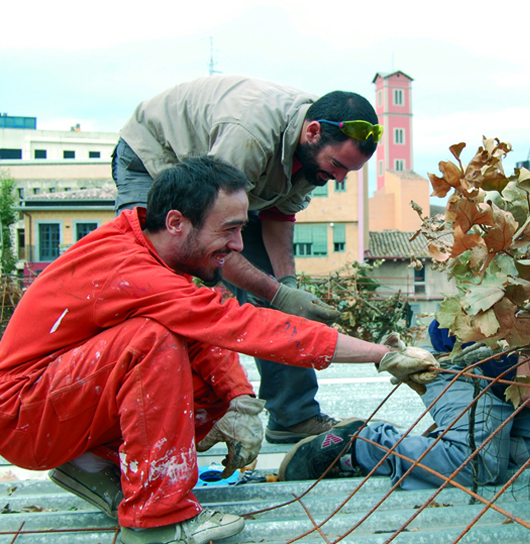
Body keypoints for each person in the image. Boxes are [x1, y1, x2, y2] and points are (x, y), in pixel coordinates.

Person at [0, 157, 437, 544]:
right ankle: (157, 521)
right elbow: (243, 324)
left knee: (204, 370)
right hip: (22, 416)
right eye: (228, 229)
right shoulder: (129, 268)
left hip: (57, 402)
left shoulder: (153, 253)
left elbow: (210, 327)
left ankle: (93, 466)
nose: (238, 245)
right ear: (176, 222)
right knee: (151, 341)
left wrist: (238, 402)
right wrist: (381, 355)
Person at [113, 75, 383, 444]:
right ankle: (163, 423)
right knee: (156, 282)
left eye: (348, 172)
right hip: (155, 159)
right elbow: (211, 241)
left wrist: (286, 287)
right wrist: (275, 293)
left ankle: (293, 416)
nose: (338, 178)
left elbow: (278, 216)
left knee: (270, 289)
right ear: (313, 132)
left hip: (229, 187)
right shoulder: (249, 135)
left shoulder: (315, 156)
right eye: (337, 165)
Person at [278, 321, 530, 492]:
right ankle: (361, 444)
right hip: (461, 369)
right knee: (480, 464)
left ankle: (448, 443)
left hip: (512, 390)